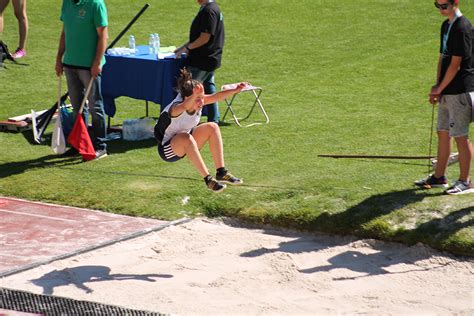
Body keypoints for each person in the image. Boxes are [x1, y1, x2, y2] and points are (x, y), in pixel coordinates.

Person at [415, 0, 473, 195]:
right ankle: (439, 177)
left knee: (460, 136)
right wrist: (436, 86)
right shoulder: (446, 25)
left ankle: (465, 181)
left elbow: (456, 64)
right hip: (447, 88)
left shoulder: (463, 27)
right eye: (437, 5)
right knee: (442, 131)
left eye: (444, 5)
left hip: (460, 90)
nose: (441, 10)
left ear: (455, 3)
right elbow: (443, 57)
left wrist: (440, 87)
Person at [154, 68, 246, 193]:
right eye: (198, 98)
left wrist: (235, 90)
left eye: (202, 97)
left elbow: (216, 97)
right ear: (186, 98)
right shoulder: (176, 108)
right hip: (168, 150)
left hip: (187, 141)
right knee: (185, 138)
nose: (201, 102)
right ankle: (208, 180)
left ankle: (221, 172)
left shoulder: (197, 101)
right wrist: (195, 95)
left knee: (212, 127)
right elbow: (185, 106)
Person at [55, 0, 108, 160]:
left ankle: (100, 146)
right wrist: (59, 58)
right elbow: (65, 32)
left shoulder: (96, 4)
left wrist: (97, 62)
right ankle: (80, 144)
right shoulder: (67, 3)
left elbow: (103, 35)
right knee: (77, 107)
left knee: (95, 106)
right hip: (70, 63)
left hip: (89, 66)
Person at [174, 0, 225, 124]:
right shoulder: (210, 8)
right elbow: (198, 36)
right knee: (208, 88)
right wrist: (183, 47)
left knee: (190, 90)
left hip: (203, 60)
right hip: (210, 58)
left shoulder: (209, 11)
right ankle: (214, 119)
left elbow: (204, 37)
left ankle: (184, 121)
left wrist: (188, 48)